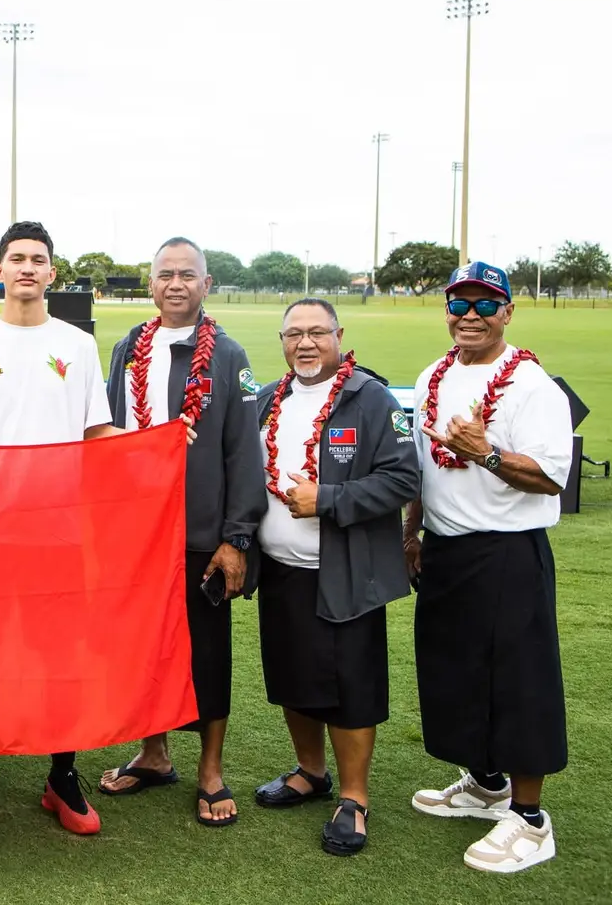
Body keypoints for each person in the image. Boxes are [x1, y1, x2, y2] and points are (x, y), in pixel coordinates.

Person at [0, 221, 115, 838]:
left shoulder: (79, 345)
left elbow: (97, 436)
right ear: (0, 269)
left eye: (39, 259)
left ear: (52, 273)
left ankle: (61, 775)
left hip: (55, 530)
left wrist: (160, 445)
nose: (28, 268)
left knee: (57, 655)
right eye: (18, 259)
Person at [404, 263, 573, 874]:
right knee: (454, 674)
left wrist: (487, 452)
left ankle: (530, 818)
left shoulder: (532, 386)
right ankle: (485, 784)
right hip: (445, 548)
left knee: (519, 683)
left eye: (484, 303)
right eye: (459, 303)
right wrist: (411, 531)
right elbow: (423, 464)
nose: (469, 315)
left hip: (507, 552)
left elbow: (554, 474)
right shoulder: (433, 375)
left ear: (507, 312)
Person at [98, 236, 265, 826]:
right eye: (165, 274)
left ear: (206, 284)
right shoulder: (127, 347)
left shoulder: (229, 356)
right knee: (144, 646)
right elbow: (110, 434)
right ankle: (153, 753)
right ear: (151, 284)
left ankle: (210, 768)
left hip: (201, 535)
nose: (175, 284)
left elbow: (246, 452)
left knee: (207, 652)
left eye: (186, 275)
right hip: (138, 533)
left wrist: (235, 537)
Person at [249, 298, 419, 856]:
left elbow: (402, 479)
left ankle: (354, 798)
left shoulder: (371, 398)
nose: (305, 343)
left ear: (338, 335)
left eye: (317, 332)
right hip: (282, 572)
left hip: (346, 572)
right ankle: (309, 771)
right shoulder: (270, 400)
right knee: (293, 678)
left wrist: (328, 499)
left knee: (351, 689)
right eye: (294, 333)